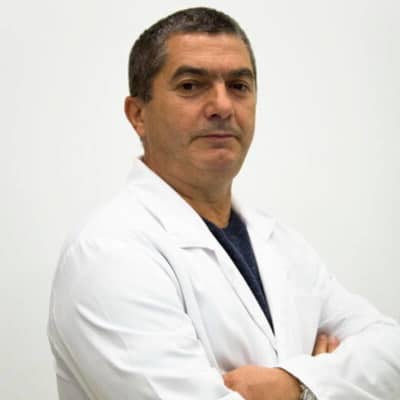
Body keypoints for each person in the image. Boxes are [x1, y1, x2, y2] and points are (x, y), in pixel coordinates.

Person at [47, 7, 400, 400]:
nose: (222, 105)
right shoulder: (108, 254)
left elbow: (392, 353)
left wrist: (295, 384)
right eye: (191, 86)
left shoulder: (282, 245)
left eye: (238, 85)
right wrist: (333, 382)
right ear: (138, 115)